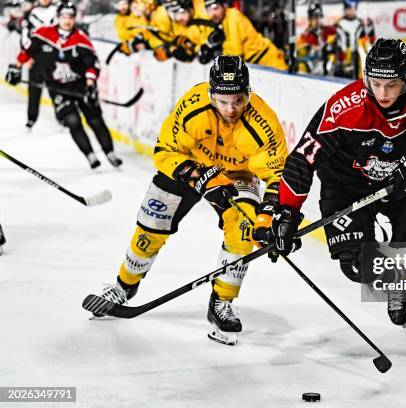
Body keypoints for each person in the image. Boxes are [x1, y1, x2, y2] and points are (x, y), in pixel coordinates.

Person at [269, 39, 406, 358]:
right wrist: (286, 213)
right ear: (365, 77)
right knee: (355, 264)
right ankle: (394, 278)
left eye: (391, 85)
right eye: (375, 83)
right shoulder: (344, 106)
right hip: (346, 185)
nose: (382, 94)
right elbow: (303, 158)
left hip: (403, 182)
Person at [92, 56, 288, 346]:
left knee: (243, 229)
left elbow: (276, 175)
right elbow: (164, 151)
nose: (231, 109)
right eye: (222, 101)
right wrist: (202, 178)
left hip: (238, 174)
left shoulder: (264, 123)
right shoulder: (193, 106)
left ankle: (221, 302)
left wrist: (269, 215)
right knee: (151, 223)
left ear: (248, 94)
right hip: (191, 165)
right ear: (210, 94)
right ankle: (124, 286)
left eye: (238, 100)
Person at [5, 2, 123, 169]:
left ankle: (110, 152)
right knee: (72, 120)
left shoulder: (81, 38)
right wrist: (15, 68)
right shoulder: (43, 34)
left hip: (82, 87)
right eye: (63, 17)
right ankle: (90, 155)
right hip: (58, 88)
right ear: (58, 17)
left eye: (70, 17)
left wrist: (90, 84)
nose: (67, 21)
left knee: (95, 119)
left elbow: (92, 64)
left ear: (75, 18)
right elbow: (27, 52)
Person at [198, 0, 288, 70]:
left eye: (215, 8)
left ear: (224, 5)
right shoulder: (224, 20)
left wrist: (217, 53)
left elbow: (235, 53)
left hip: (269, 61)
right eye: (208, 10)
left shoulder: (233, 18)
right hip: (259, 63)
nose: (212, 14)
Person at [19, 0, 57, 130]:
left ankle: (62, 117)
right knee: (34, 90)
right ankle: (31, 119)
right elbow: (25, 37)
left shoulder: (59, 10)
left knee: (56, 90)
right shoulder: (31, 13)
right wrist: (28, 56)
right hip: (36, 58)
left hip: (54, 58)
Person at [333, 0, 375, 79]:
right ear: (344, 9)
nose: (351, 11)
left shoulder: (360, 23)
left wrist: (370, 29)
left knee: (356, 81)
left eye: (353, 9)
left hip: (355, 56)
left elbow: (369, 42)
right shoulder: (338, 24)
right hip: (342, 58)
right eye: (348, 9)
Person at [296, 2, 336, 75]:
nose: (317, 20)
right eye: (314, 17)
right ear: (309, 19)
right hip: (312, 70)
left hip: (327, 68)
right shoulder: (304, 35)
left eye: (319, 17)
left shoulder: (330, 31)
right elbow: (298, 52)